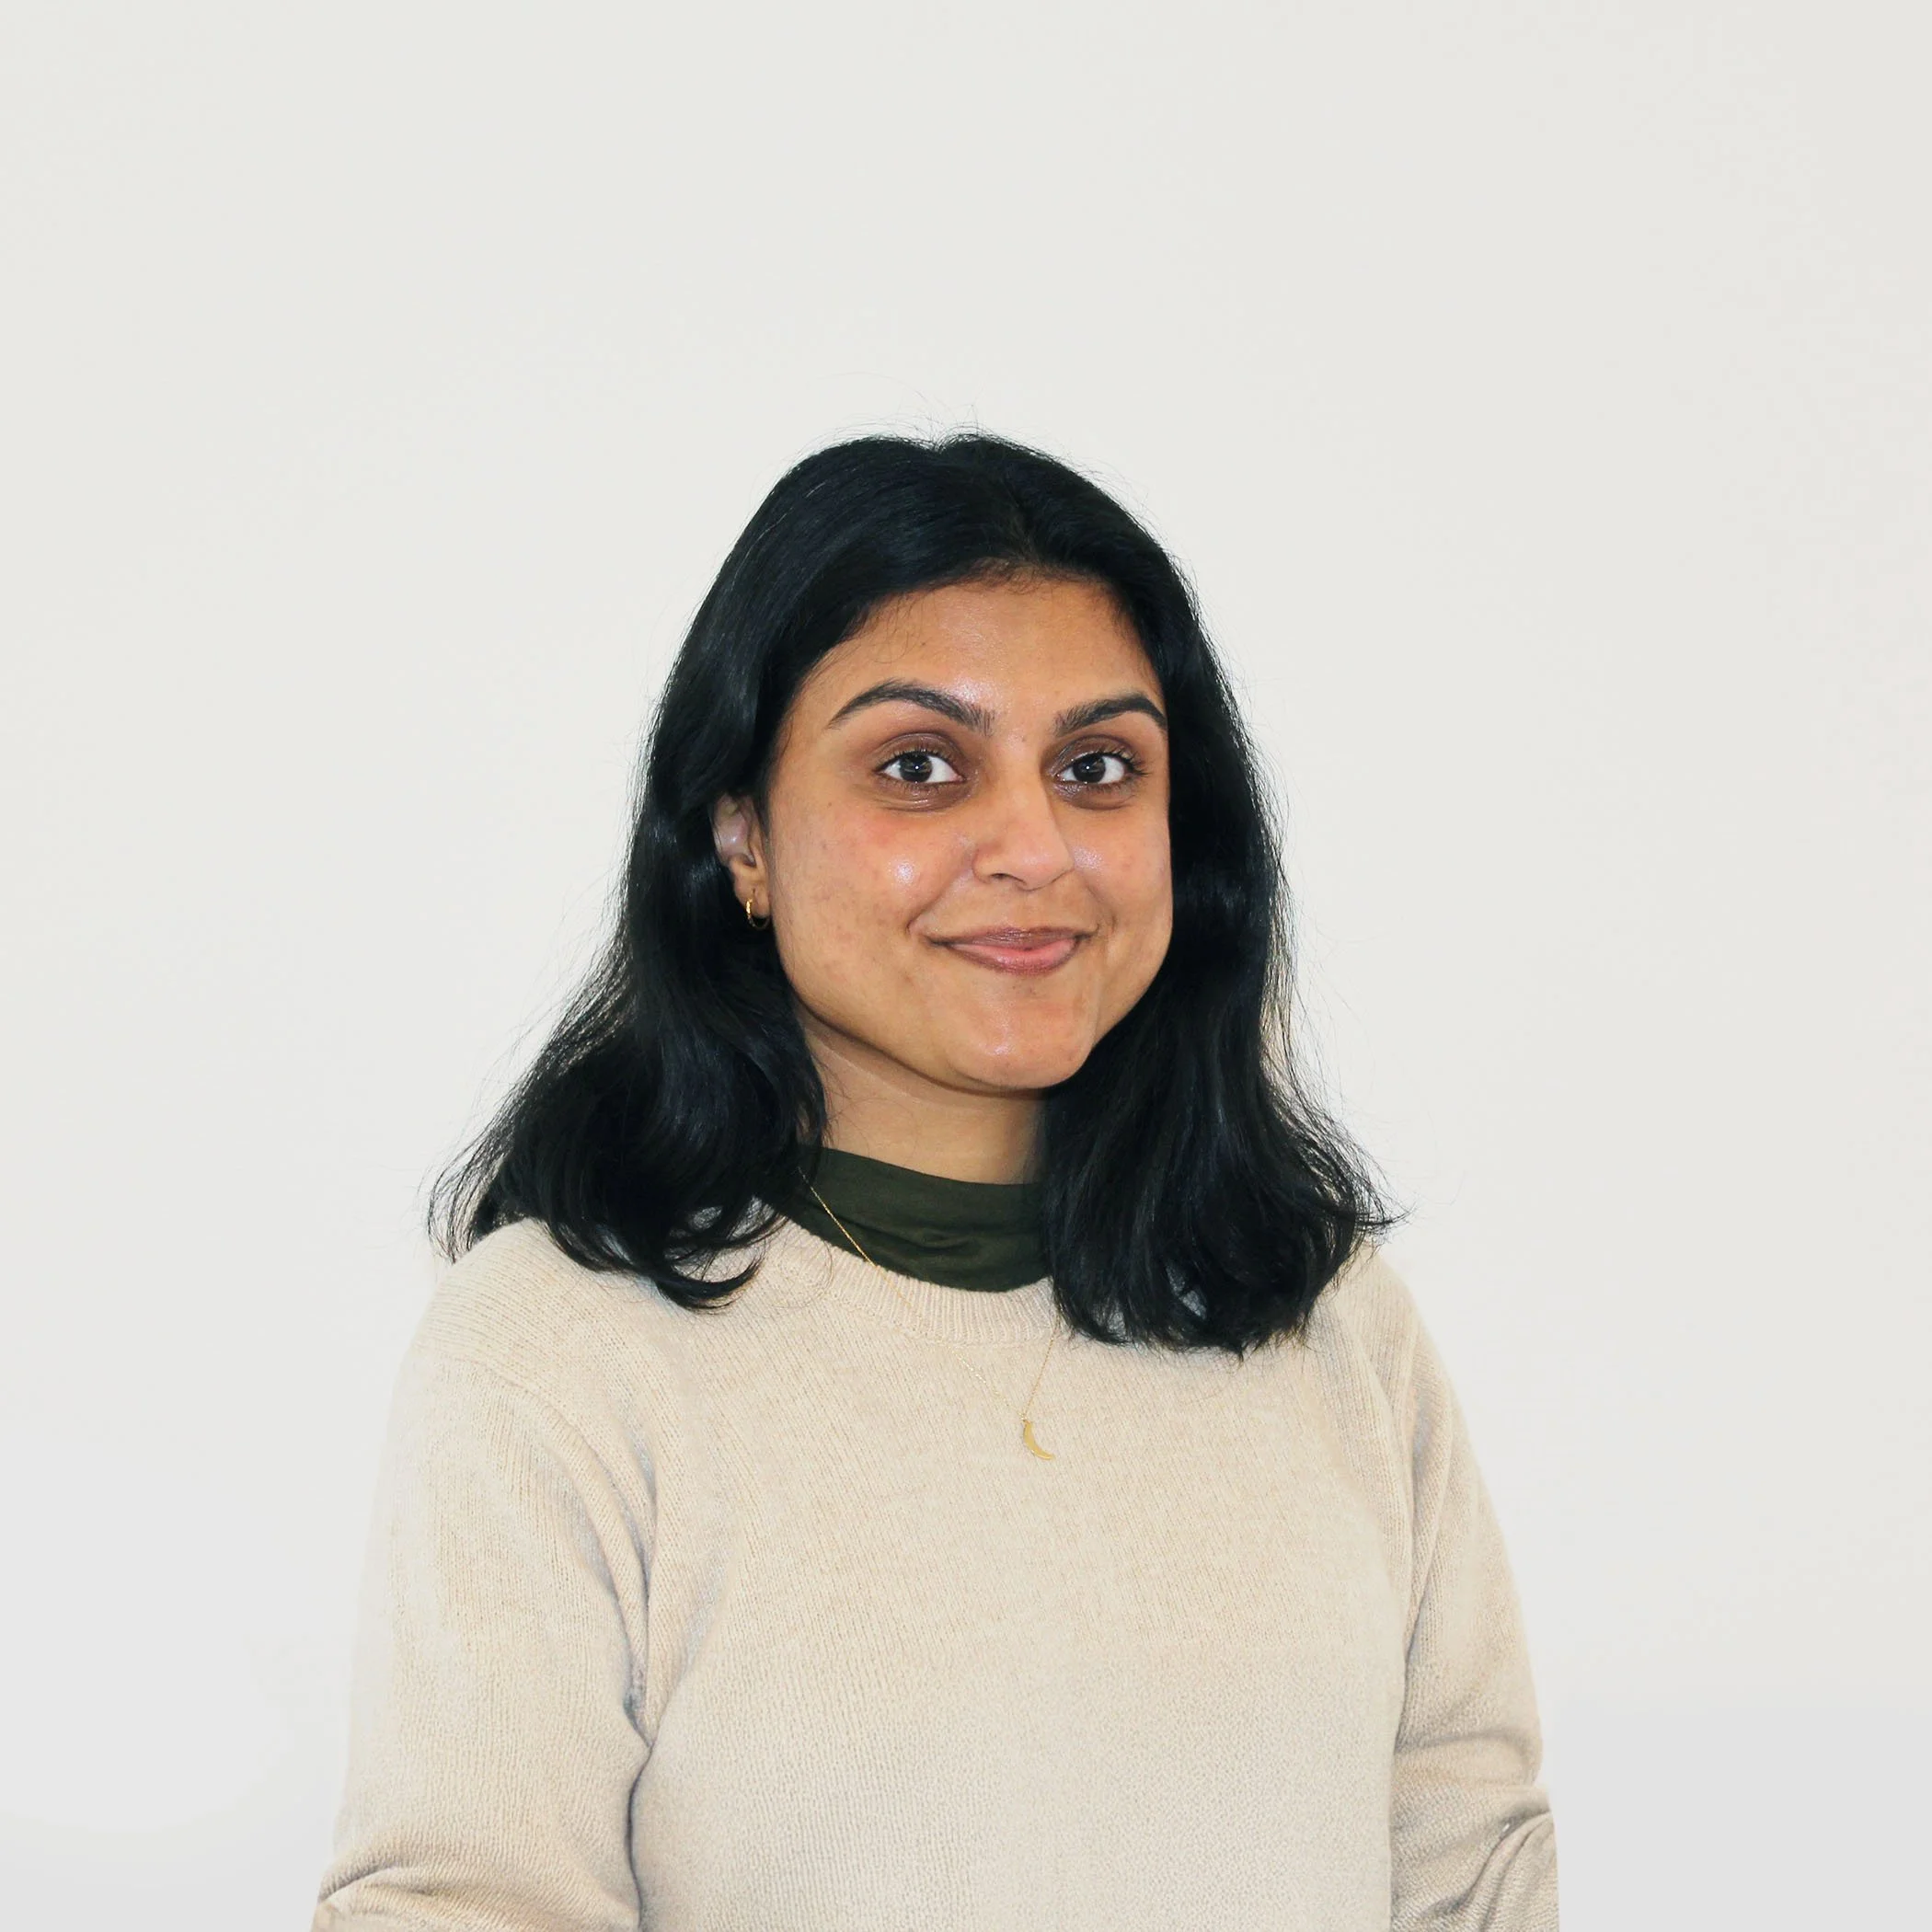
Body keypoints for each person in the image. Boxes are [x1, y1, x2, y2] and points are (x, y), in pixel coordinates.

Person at [312, 432, 1558, 1930]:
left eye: (1097, 769)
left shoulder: (1330, 1322)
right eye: (919, 768)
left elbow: (1473, 1872)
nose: (1034, 847)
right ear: (740, 835)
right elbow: (467, 1902)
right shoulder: (561, 1349)